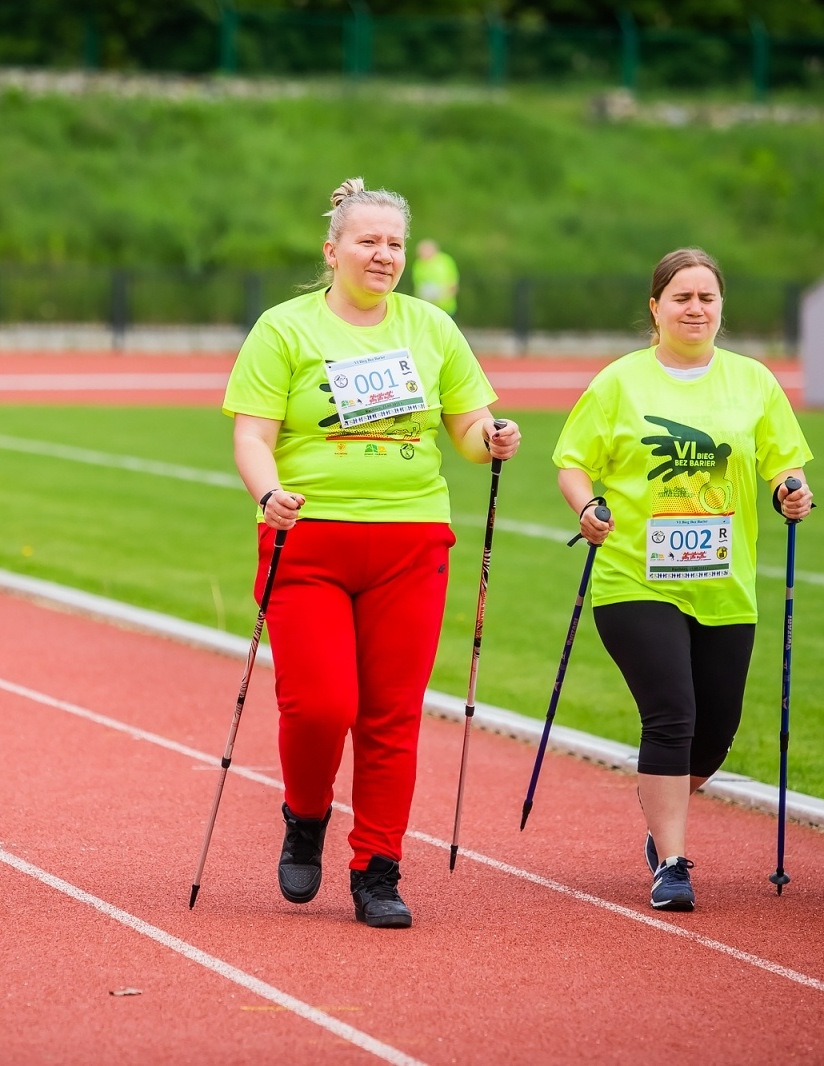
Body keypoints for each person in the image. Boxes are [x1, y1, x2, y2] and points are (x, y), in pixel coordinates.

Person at [223, 177, 520, 928]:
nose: (383, 254)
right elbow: (252, 435)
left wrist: (492, 439)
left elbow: (467, 424)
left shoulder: (431, 329)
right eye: (368, 241)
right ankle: (305, 814)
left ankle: (377, 869)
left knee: (391, 715)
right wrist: (267, 495)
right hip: (310, 540)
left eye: (393, 243)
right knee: (321, 705)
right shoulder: (284, 330)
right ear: (333, 250)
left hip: (409, 540)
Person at [552, 247, 812, 912]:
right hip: (635, 577)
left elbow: (785, 465)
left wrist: (792, 491)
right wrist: (586, 508)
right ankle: (672, 860)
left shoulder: (753, 382)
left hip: (725, 584)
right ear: (655, 308)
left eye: (707, 298)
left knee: (715, 730)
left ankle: (661, 808)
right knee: (672, 714)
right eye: (681, 298)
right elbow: (573, 464)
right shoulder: (620, 382)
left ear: (721, 307)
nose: (695, 309)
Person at [411, 239, 459, 317]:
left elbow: (453, 284)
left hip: (446, 308)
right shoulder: (418, 265)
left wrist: (443, 296)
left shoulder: (445, 261)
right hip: (427, 308)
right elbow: (417, 286)